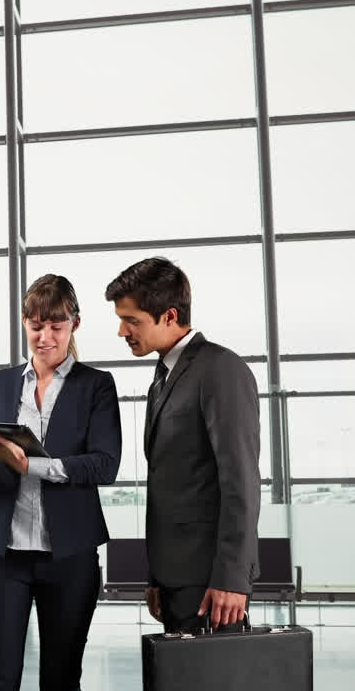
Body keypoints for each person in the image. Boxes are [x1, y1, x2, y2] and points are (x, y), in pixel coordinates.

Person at [0, 274, 122, 691]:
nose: (44, 336)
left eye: (56, 326)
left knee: (62, 680)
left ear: (74, 325)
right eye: (35, 326)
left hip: (68, 558)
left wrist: (28, 464)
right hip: (0, 557)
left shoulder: (96, 385)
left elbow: (104, 465)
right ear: (24, 324)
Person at [104, 257, 260, 633]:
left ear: (170, 316)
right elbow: (170, 486)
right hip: (176, 577)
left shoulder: (220, 370)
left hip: (211, 581)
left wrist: (232, 578)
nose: (122, 331)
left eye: (132, 320)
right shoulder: (163, 379)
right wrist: (156, 577)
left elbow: (240, 482)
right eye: (120, 320)